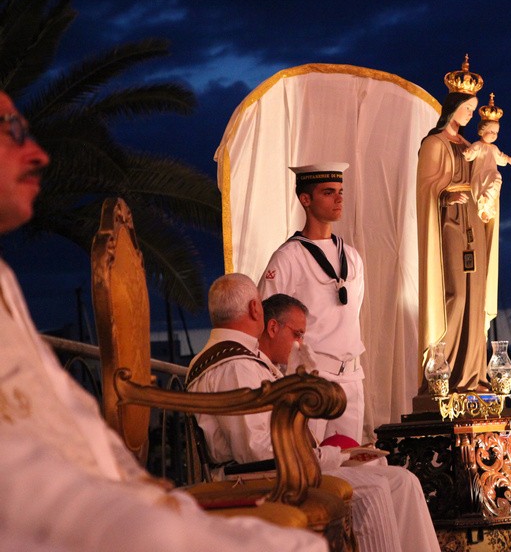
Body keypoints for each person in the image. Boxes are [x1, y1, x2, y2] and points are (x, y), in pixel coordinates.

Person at [0, 91, 327, 551]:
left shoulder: (5, 280)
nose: (38, 153)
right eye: (12, 130)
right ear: (259, 313)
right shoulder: (236, 364)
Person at [188, 277, 440, 552]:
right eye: (297, 334)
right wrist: (329, 456)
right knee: (373, 492)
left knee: (403, 481)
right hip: (257, 478)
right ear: (255, 309)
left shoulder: (236, 359)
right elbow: (256, 451)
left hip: (272, 470)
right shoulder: (236, 365)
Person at [258, 162, 365, 444]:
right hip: (311, 377)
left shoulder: (351, 256)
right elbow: (267, 321)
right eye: (328, 192)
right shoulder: (288, 257)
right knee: (311, 457)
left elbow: (353, 313)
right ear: (306, 199)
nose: (338, 199)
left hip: (351, 375)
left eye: (340, 191)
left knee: (350, 456)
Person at [416, 56, 497, 394]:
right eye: (467, 108)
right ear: (453, 106)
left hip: (472, 223)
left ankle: (473, 375)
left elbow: (484, 177)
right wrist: (446, 193)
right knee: (456, 293)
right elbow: (425, 188)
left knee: (475, 296)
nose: (469, 115)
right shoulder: (434, 144)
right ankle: (442, 373)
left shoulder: (470, 146)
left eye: (473, 110)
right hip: (449, 223)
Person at [462, 93, 511, 224]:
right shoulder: (478, 145)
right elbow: (471, 154)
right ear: (482, 131)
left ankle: (487, 205)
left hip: (491, 173)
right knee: (489, 184)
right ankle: (483, 208)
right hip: (481, 175)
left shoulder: (494, 148)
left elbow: (501, 157)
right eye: (491, 132)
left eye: (496, 133)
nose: (494, 135)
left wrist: (509, 160)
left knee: (497, 178)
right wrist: (467, 153)